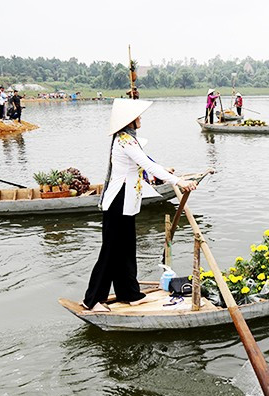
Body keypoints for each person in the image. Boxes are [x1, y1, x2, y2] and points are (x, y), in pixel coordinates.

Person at [82, 99, 198, 312]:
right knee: (110, 252)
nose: (140, 118)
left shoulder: (130, 140)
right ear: (130, 121)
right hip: (117, 202)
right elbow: (147, 164)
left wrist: (166, 173)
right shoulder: (124, 140)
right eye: (138, 116)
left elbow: (146, 164)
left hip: (128, 203)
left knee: (126, 249)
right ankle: (93, 300)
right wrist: (179, 181)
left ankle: (130, 294)